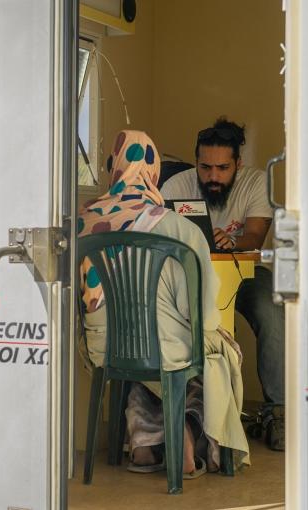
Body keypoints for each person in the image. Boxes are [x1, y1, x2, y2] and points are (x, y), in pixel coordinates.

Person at [78, 130, 250, 477]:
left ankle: (143, 444)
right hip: (165, 347)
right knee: (216, 357)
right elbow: (198, 313)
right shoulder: (178, 227)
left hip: (103, 346)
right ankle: (187, 440)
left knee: (143, 369)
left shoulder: (85, 219)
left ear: (114, 168)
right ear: (154, 172)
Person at [161, 117, 285, 451]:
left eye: (222, 168)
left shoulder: (256, 183)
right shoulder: (174, 187)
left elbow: (256, 236)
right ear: (196, 161)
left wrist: (232, 242)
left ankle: (278, 413)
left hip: (242, 273)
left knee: (273, 309)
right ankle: (186, 418)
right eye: (205, 167)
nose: (213, 176)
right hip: (185, 277)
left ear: (237, 164)